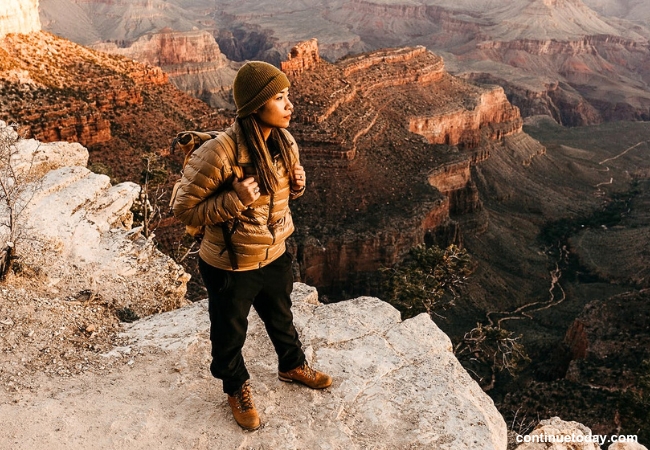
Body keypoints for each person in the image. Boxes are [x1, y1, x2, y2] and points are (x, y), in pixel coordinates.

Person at [173, 61, 332, 431]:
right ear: (256, 107)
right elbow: (184, 209)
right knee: (229, 332)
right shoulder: (220, 153)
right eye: (279, 98)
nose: (289, 105)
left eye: (288, 96)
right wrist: (234, 198)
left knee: (282, 317)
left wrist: (298, 185)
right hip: (230, 263)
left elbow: (280, 198)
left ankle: (291, 365)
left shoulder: (284, 140)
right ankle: (236, 387)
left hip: (274, 251)